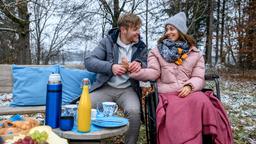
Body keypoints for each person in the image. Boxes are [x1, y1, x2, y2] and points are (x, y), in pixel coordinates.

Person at [130, 12, 233, 144]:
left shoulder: (195, 53)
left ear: (180, 31)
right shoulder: (156, 52)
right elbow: (153, 72)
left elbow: (198, 77)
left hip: (188, 91)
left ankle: (206, 140)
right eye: (166, 29)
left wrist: (190, 86)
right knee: (176, 111)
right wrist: (134, 72)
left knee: (202, 100)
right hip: (168, 94)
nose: (168, 32)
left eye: (171, 29)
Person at [84, 13, 147, 144]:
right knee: (85, 106)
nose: (138, 33)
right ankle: (88, 140)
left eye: (138, 29)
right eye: (135, 29)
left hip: (128, 89)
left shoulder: (140, 46)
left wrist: (140, 64)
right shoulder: (108, 42)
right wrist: (111, 67)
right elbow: (89, 61)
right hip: (105, 87)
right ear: (124, 29)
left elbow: (148, 63)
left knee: (134, 112)